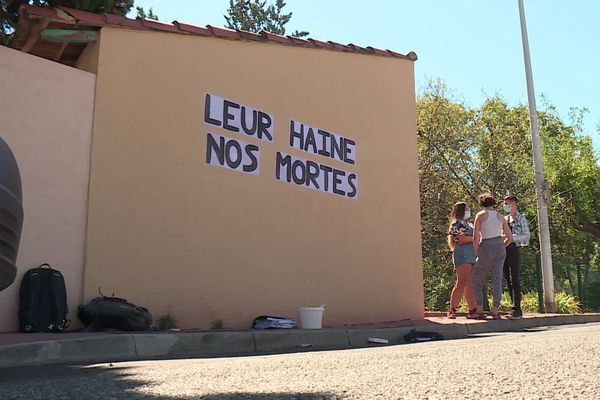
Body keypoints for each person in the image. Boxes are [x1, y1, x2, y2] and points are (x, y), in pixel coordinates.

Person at [471, 193, 514, 319]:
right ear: (493, 204)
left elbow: (476, 236)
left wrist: (477, 251)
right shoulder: (501, 217)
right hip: (499, 245)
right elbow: (510, 237)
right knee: (497, 278)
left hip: (486, 245)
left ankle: (479, 308)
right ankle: (495, 309)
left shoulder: (480, 215)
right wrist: (502, 247)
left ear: (481, 204)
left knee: (477, 277)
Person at [446, 202, 477, 319]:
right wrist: (475, 238)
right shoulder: (456, 223)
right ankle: (452, 310)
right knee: (461, 282)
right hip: (462, 255)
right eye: (466, 209)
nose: (468, 211)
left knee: (469, 283)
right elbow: (460, 238)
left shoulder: (468, 224)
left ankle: (472, 310)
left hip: (471, 255)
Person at [502, 195, 530, 319]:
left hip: (514, 248)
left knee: (515, 278)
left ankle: (517, 308)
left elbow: (526, 235)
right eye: (505, 204)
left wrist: (512, 238)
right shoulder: (504, 219)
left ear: (514, 204)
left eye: (507, 203)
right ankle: (513, 305)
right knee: (507, 277)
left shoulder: (521, 218)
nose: (506, 206)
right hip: (504, 248)